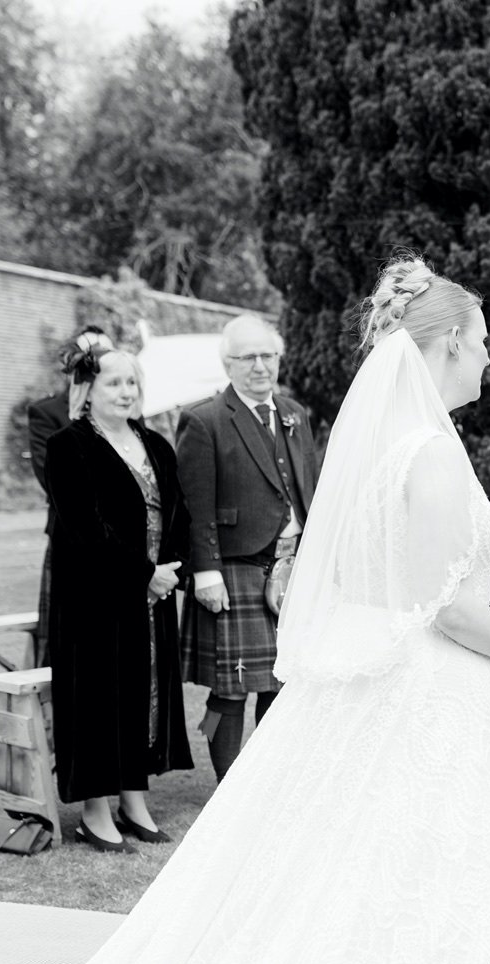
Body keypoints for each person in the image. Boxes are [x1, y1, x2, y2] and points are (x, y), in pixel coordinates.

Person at [0, 254, 490, 964]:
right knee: (420, 870)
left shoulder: (401, 447)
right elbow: (443, 606)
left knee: (388, 874)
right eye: (481, 342)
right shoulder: (429, 455)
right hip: (431, 688)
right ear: (443, 346)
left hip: (411, 686)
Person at [45, 337, 193, 851]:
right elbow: (84, 529)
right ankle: (94, 810)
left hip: (152, 596)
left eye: (132, 381)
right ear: (87, 389)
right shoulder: (69, 446)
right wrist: (142, 573)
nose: (126, 391)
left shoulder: (156, 445)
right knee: (98, 697)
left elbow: (177, 513)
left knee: (141, 695)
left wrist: (169, 571)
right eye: (114, 382)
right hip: (96, 598)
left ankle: (134, 799)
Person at [176, 315, 321, 781]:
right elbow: (195, 505)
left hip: (293, 567)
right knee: (231, 684)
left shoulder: (295, 413)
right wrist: (206, 571)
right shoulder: (205, 420)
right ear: (228, 364)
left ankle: (268, 783)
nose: (260, 366)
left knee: (282, 681)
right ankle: (227, 788)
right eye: (248, 357)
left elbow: (310, 489)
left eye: (268, 355)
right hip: (236, 567)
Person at [25, 343, 76, 668]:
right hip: (68, 536)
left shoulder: (129, 412)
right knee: (60, 633)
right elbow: (54, 479)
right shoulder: (48, 412)